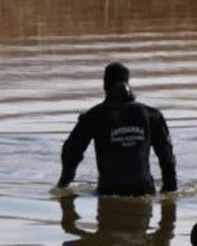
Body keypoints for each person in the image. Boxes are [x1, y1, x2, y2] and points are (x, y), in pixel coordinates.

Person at [56, 62, 176, 196]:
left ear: (105, 86)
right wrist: (170, 188)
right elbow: (167, 156)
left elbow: (71, 151)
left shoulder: (93, 116)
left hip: (109, 190)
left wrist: (64, 182)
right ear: (128, 82)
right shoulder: (152, 115)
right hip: (144, 190)